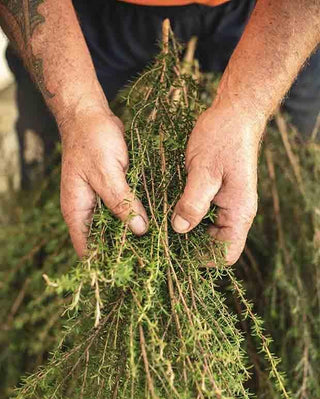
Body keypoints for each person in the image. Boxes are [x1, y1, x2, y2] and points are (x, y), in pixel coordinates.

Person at [1, 0, 319, 265]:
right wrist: (77, 111)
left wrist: (246, 110)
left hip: (270, 16)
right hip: (76, 20)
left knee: (274, 195)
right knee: (65, 189)